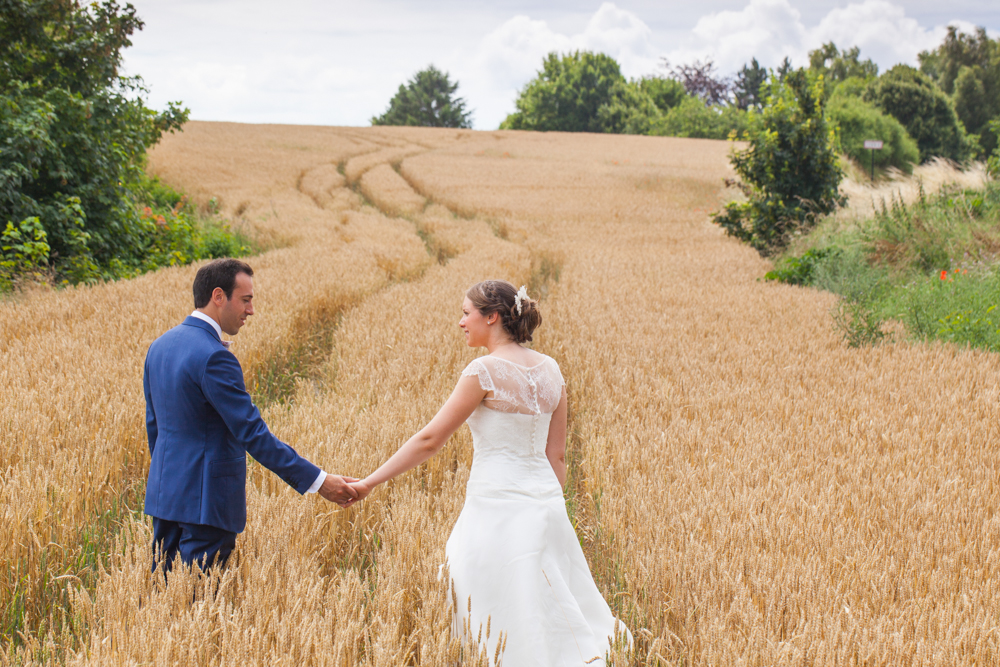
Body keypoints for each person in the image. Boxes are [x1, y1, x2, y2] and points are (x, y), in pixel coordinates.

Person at [346, 280, 629, 665]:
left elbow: (430, 440)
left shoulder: (484, 371)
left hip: (494, 503)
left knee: (483, 588)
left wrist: (369, 481)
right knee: (539, 593)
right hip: (545, 502)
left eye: (467, 313)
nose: (461, 322)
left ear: (492, 316)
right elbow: (557, 454)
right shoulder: (551, 369)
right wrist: (550, 503)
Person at [143, 258, 357, 573]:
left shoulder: (159, 347)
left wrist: (170, 480)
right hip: (206, 505)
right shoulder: (215, 356)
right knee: (199, 604)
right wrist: (319, 481)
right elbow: (253, 434)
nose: (251, 310)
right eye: (246, 299)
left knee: (165, 600)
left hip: (166, 496)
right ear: (218, 296)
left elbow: (155, 427)